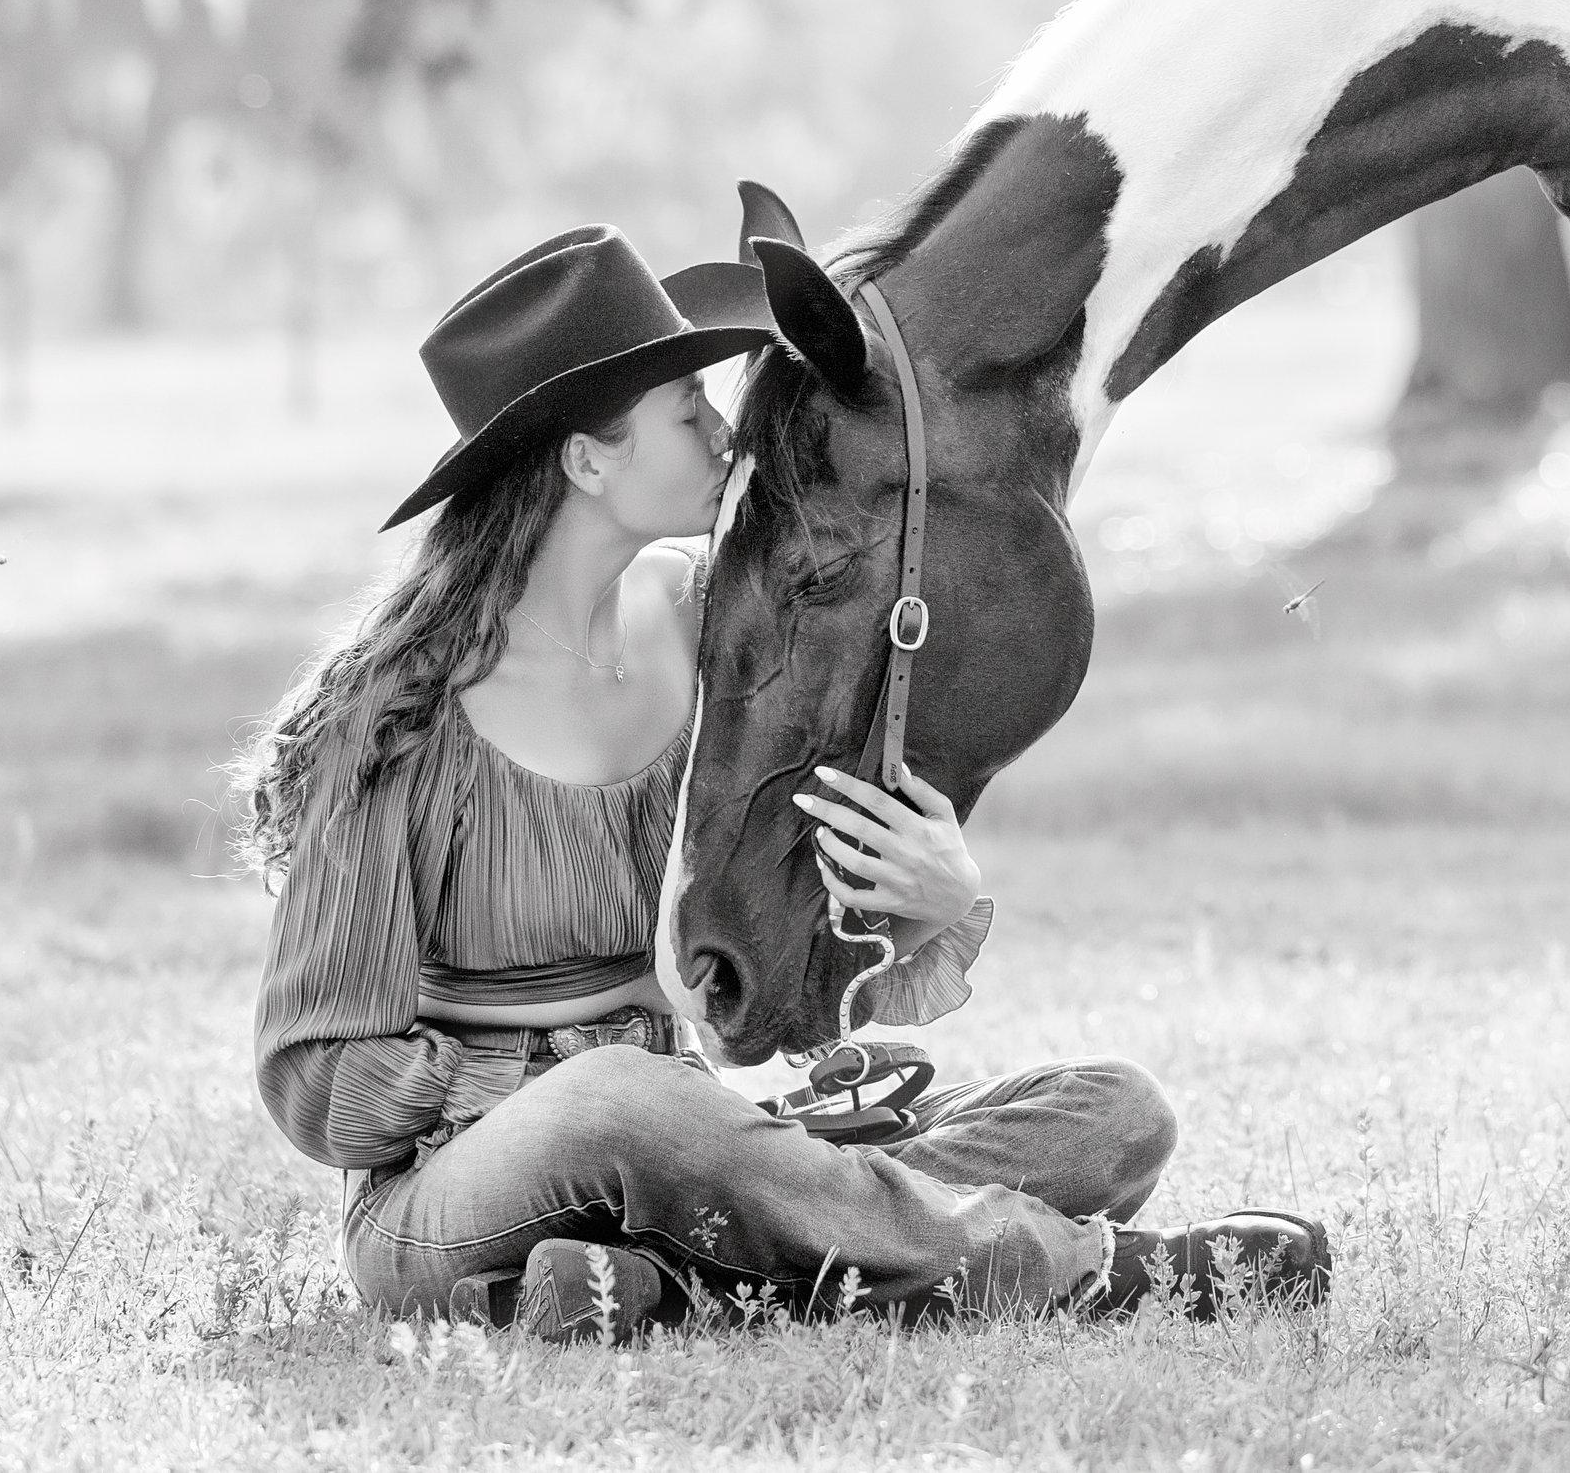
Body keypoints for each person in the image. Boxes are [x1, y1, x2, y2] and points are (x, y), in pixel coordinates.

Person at [237, 226, 1329, 1342]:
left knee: (1110, 1116)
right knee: (627, 1097)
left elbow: (785, 948)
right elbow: (317, 1079)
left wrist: (931, 906)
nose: (726, 429)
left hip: (709, 1137)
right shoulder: (392, 717)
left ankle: (653, 1281)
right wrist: (539, 1086)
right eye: (687, 411)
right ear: (588, 459)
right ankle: (1085, 1269)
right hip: (447, 1197)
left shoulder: (725, 627)